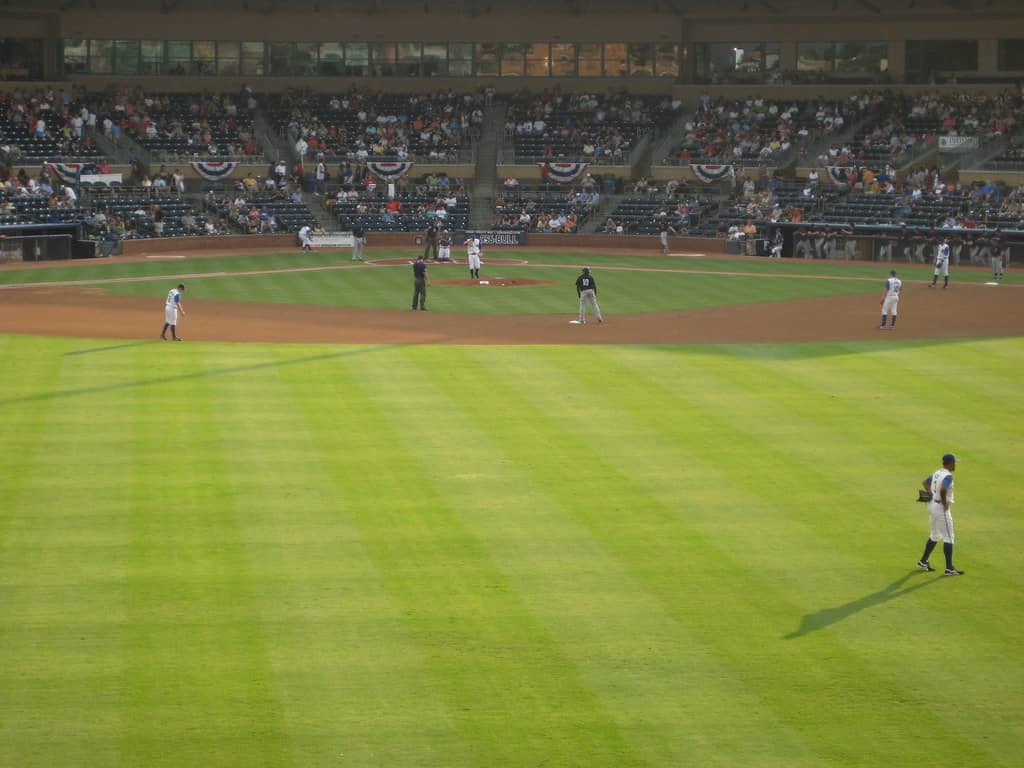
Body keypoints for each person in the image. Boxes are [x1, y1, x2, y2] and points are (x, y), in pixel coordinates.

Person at [917, 453, 964, 576]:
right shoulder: (948, 476)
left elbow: (925, 482)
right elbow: (943, 489)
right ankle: (949, 568)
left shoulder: (938, 473)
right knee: (949, 537)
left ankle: (923, 561)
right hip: (940, 508)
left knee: (935, 535)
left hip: (931, 505)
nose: (955, 465)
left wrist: (931, 494)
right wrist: (944, 503)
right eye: (954, 462)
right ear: (950, 463)